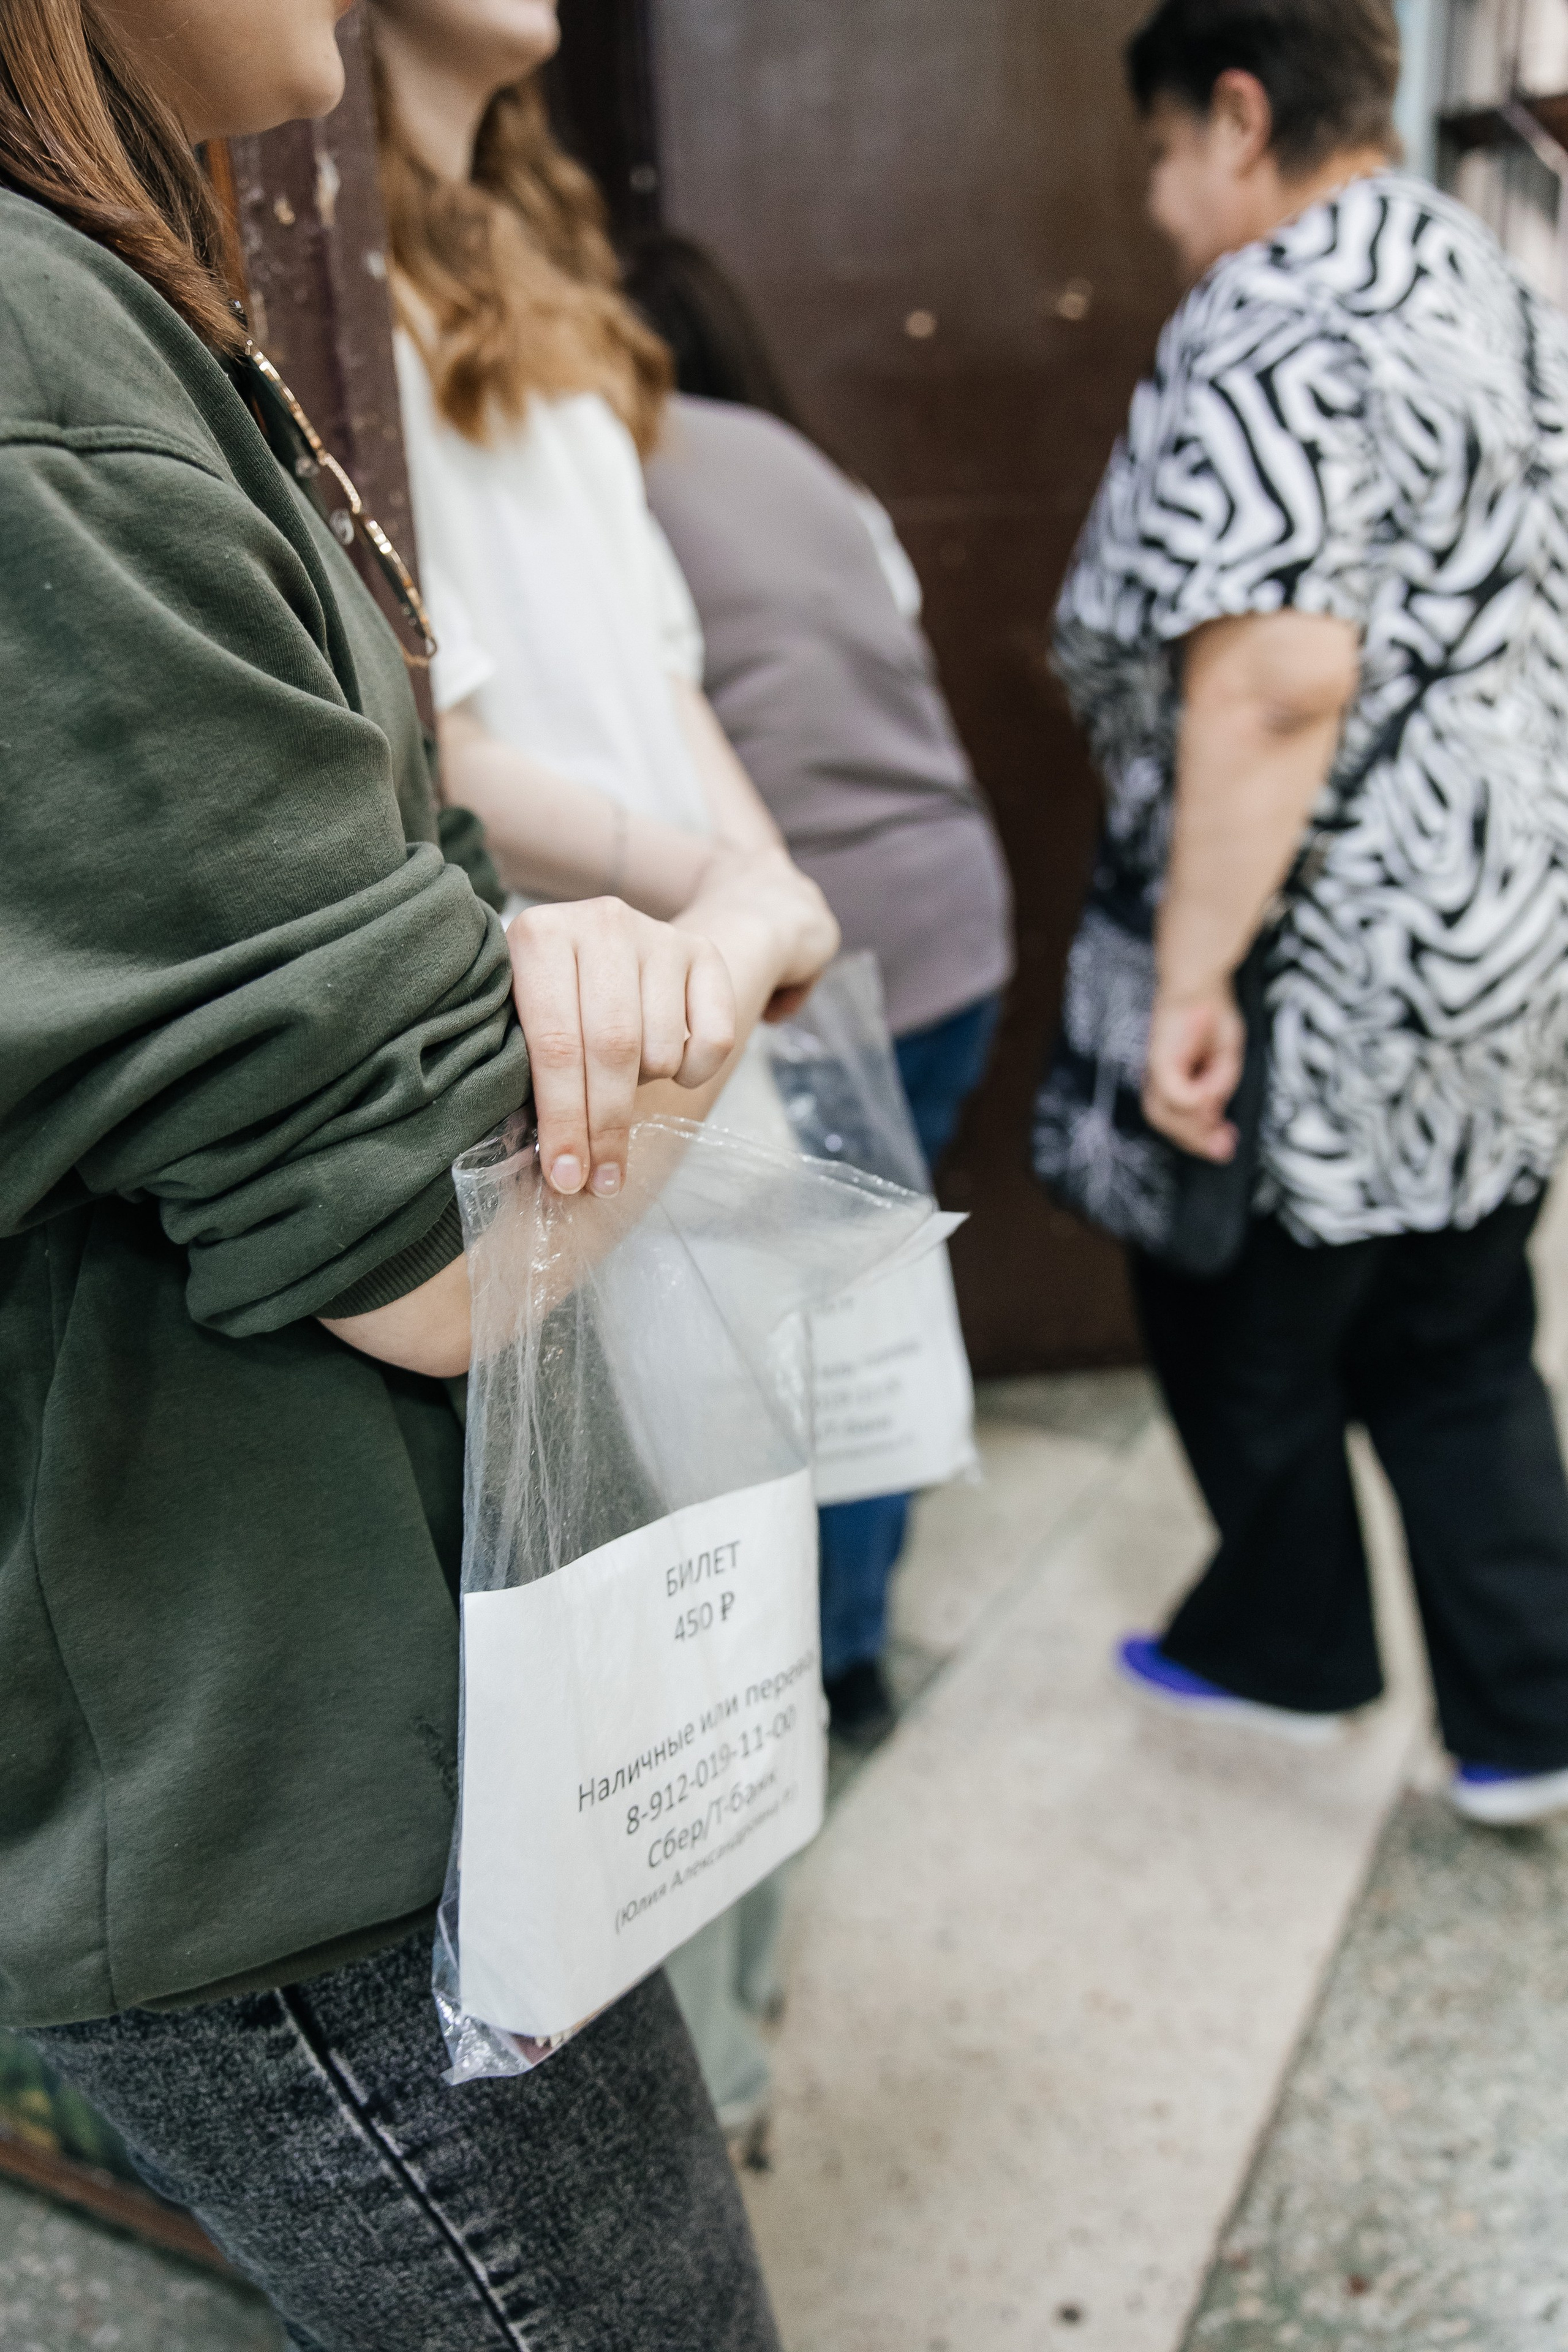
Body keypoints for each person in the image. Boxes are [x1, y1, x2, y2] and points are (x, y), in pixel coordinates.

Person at [0, 1, 838, 2343]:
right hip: (270, 1786)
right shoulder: (33, 350)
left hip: (314, 1697)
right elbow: (429, 1244)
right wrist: (724, 945)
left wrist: (543, 950)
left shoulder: (97, 292)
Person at [1055, 0, 1568, 1826]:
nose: (1167, 211)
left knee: (1224, 1299)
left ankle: (1291, 1645)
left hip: (1322, 946)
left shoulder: (1280, 307)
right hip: (1500, 925)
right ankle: (1524, 1718)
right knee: (1456, 1323)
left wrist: (1195, 978)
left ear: (1242, 117)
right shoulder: (1494, 279)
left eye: (1166, 161)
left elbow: (1276, 680)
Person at [628, 231, 1016, 1746]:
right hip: (955, 916)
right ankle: (848, 1639)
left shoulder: (605, 480)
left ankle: (826, 1659)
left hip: (810, 956)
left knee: (804, 1321)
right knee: (872, 1290)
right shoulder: (807, 469)